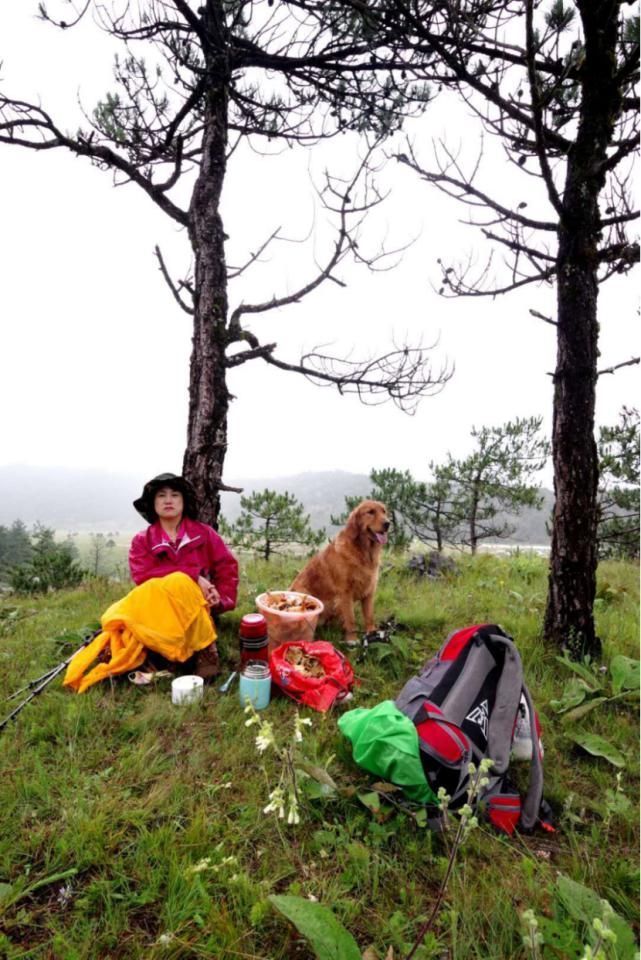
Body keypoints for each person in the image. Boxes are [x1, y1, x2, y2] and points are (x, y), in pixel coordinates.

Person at [129, 472, 239, 678]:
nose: (168, 500)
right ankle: (169, 655)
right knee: (178, 583)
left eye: (175, 495)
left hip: (200, 608)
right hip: (161, 610)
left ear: (184, 501)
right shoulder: (142, 540)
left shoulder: (205, 534)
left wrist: (222, 600)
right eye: (161, 495)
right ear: (153, 504)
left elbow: (226, 567)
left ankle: (206, 651)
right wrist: (194, 576)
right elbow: (143, 576)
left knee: (184, 586)